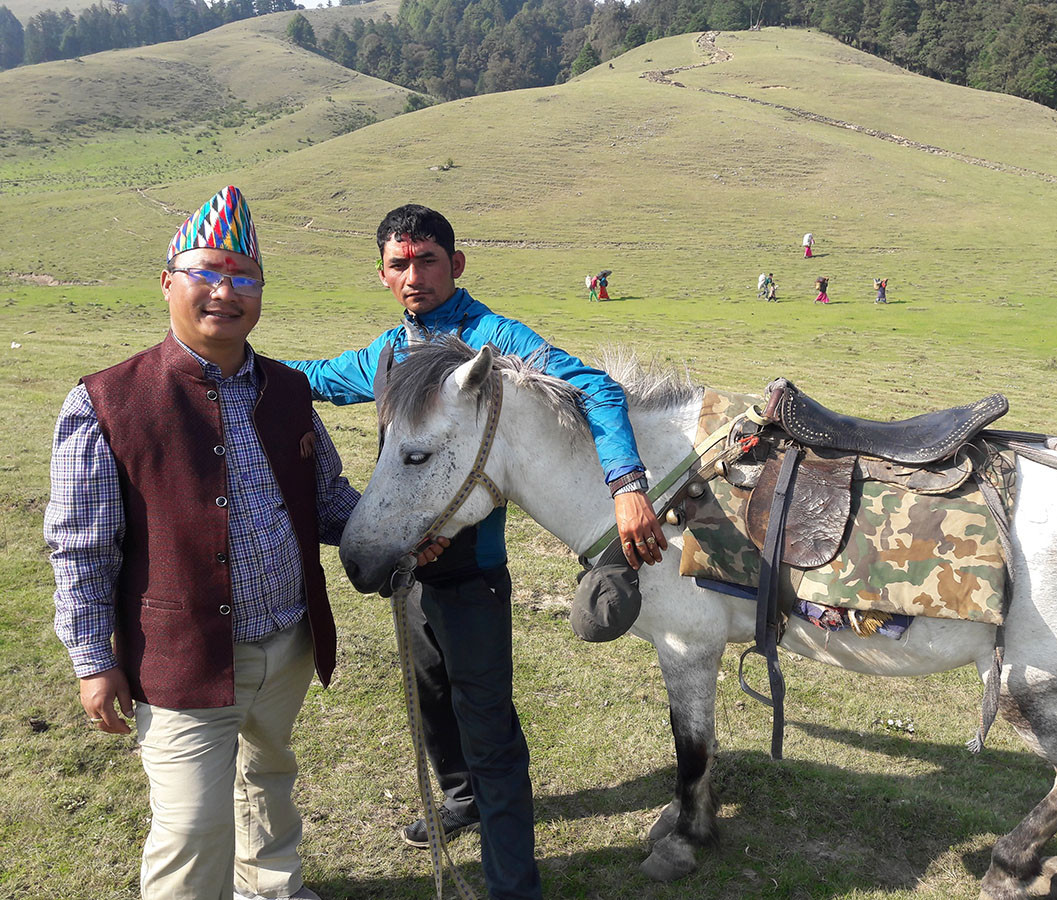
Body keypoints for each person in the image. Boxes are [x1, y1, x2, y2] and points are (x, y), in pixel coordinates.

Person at [284, 204, 665, 900]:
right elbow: (310, 378)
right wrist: (232, 361)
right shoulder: (388, 354)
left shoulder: (497, 341)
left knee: (487, 724)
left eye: (426, 259)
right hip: (410, 564)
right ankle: (457, 800)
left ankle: (512, 885)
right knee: (432, 700)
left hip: (475, 574)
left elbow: (596, 388)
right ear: (382, 274)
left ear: (454, 264)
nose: (413, 275)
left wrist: (628, 485)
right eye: (399, 263)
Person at [45, 186, 361, 900]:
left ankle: (272, 888)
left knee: (268, 777)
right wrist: (94, 661)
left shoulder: (285, 388)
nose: (226, 291)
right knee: (191, 829)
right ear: (168, 283)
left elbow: (329, 502)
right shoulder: (103, 404)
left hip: (286, 640)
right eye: (206, 273)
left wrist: (398, 536)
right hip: (182, 658)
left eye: (243, 276)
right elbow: (82, 551)